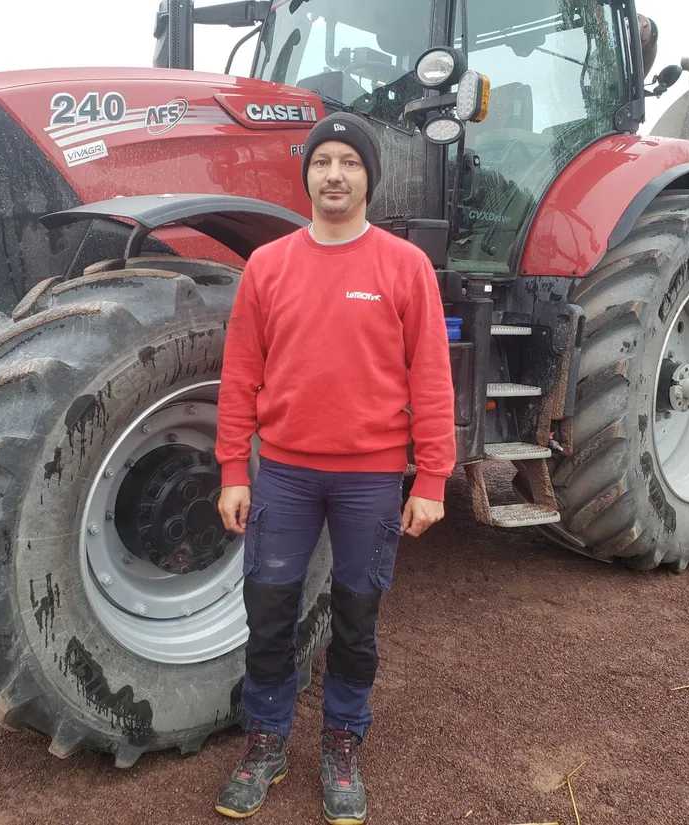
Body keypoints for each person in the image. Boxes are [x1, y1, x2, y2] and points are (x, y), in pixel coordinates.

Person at [212, 111, 456, 823]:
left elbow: (431, 378)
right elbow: (239, 375)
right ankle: (266, 739)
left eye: (350, 162)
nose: (335, 174)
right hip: (283, 472)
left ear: (367, 178)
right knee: (269, 611)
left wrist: (433, 478)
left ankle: (343, 739)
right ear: (308, 175)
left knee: (355, 618)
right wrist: (235, 467)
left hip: (370, 480)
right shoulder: (269, 266)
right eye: (323, 162)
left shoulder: (404, 267)